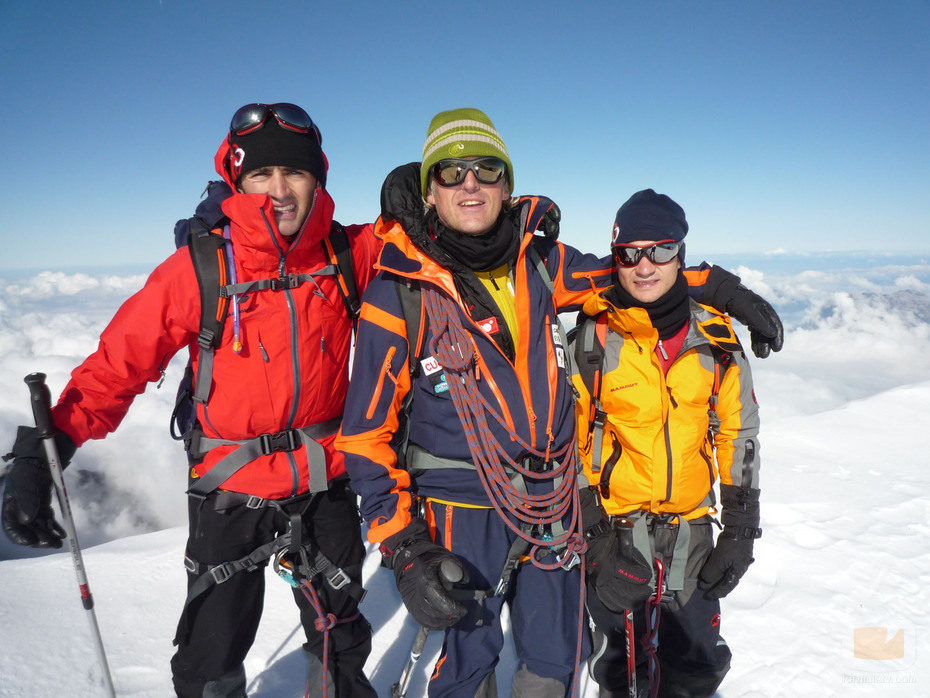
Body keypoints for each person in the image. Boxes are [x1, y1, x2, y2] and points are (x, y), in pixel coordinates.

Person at [335, 108, 779, 698]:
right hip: (459, 504)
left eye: (486, 168)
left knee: (557, 655)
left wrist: (722, 287)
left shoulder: (540, 263)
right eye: (451, 171)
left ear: (506, 184)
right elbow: (364, 436)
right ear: (430, 190)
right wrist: (403, 544)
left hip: (552, 501)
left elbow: (631, 275)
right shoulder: (399, 292)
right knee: (470, 656)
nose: (471, 183)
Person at [1, 103, 379, 697]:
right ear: (238, 180)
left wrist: (435, 187)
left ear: (318, 179)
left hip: (326, 480)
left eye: (295, 173)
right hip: (229, 487)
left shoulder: (346, 255)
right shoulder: (198, 269)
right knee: (211, 653)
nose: (279, 190)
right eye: (261, 175)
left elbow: (436, 234)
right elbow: (116, 365)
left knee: (341, 638)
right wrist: (42, 451)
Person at [573, 189, 763, 697]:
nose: (644, 265)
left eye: (659, 249)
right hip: (617, 532)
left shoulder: (717, 339)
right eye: (629, 252)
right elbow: (566, 444)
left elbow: (737, 432)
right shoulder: (592, 341)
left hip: (693, 532)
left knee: (697, 664)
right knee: (619, 669)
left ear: (680, 253)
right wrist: (595, 541)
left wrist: (742, 526)